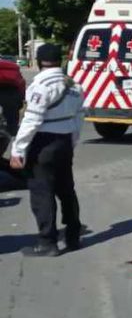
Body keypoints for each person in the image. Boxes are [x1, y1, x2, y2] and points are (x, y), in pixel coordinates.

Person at [10, 43, 85, 256]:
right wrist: (72, 141)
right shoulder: (74, 86)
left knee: (42, 192)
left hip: (43, 144)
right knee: (67, 191)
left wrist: (18, 150)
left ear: (39, 61)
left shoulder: (41, 86)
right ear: (59, 61)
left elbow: (31, 120)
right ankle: (73, 236)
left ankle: (47, 243)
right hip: (64, 142)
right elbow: (79, 117)